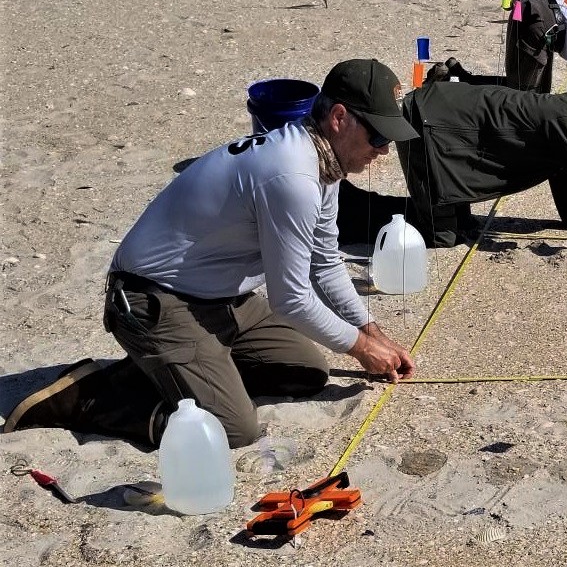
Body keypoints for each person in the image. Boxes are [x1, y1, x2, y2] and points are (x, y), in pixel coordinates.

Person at [4, 60, 419, 449]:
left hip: (219, 296)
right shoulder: (292, 174)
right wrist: (360, 349)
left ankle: (173, 368)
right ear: (340, 118)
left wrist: (371, 331)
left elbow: (324, 261)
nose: (383, 150)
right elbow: (291, 299)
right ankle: (87, 397)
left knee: (306, 371)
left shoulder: (323, 162)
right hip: (153, 299)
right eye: (378, 136)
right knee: (232, 429)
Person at [337, 79, 567, 252]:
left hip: (450, 133)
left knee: (458, 227)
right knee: (440, 236)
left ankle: (348, 203)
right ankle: (342, 211)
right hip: (432, 125)